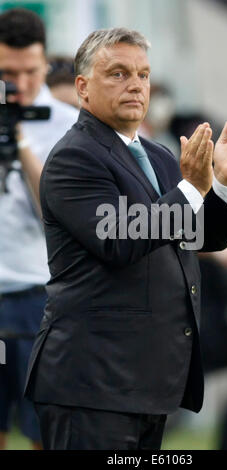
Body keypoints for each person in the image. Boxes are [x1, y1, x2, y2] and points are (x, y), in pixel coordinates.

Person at [24, 27, 227, 450]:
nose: (135, 84)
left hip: (146, 383)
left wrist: (223, 180)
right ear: (82, 87)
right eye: (117, 73)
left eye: (143, 74)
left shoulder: (158, 155)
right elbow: (122, 238)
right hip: (92, 385)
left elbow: (197, 235)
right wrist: (191, 186)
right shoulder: (73, 157)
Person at [0, 8, 78, 450]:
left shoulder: (66, 123)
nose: (21, 83)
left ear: (45, 64)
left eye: (31, 71)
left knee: (42, 432)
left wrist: (20, 140)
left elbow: (54, 212)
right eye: (7, 73)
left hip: (38, 297)